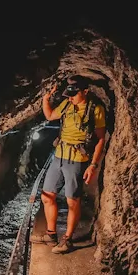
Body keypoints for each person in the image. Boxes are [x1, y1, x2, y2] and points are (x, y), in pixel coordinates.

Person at [31, 76, 106, 254]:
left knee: (72, 201)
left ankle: (68, 239)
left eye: (74, 94)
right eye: (69, 94)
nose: (70, 98)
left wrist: (93, 165)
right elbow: (49, 116)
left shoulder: (95, 109)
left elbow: (101, 139)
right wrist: (45, 99)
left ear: (85, 92)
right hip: (59, 156)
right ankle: (51, 234)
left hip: (77, 160)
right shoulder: (67, 105)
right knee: (47, 196)